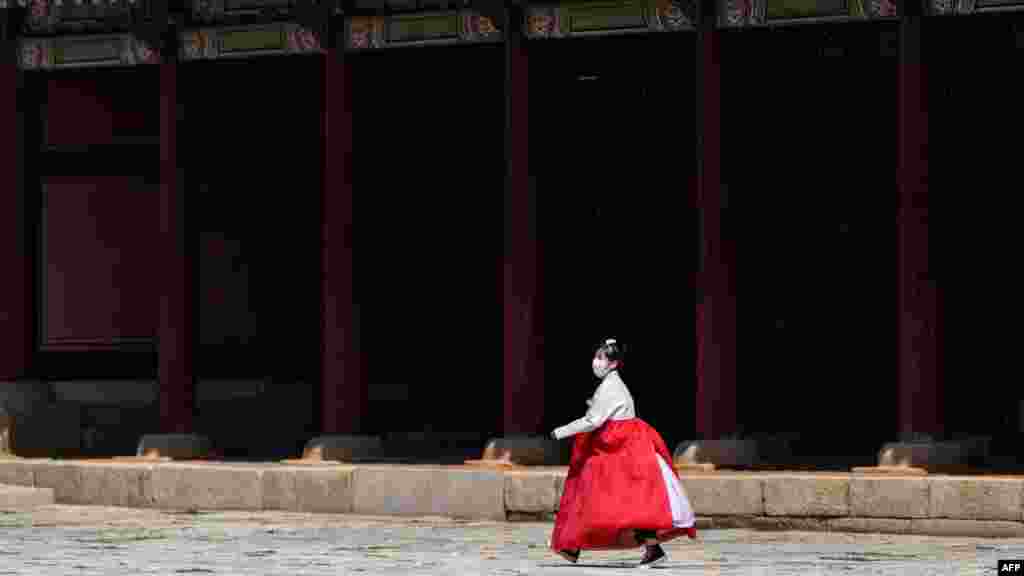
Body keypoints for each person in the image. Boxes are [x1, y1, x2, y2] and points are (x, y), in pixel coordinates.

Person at [549, 338, 697, 567]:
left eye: (602, 358)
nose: (596, 362)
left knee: (605, 497)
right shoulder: (612, 386)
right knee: (619, 501)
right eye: (596, 356)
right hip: (619, 449)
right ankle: (575, 546)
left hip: (617, 452)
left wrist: (560, 432)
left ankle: (574, 545)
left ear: (614, 363)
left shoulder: (610, 388)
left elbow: (593, 420)